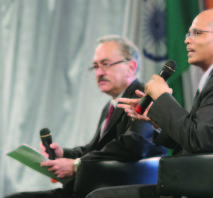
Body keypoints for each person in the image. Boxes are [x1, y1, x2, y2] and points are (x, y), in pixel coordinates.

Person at [86, 8, 213, 198]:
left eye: (196, 33)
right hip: (203, 182)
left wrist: (163, 97)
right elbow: (195, 136)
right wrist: (154, 119)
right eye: (188, 34)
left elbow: (198, 142)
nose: (187, 40)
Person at [5, 35, 167, 198]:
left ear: (131, 67)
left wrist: (76, 165)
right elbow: (96, 150)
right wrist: (64, 154)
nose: (99, 73)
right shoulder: (111, 105)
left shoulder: (144, 99)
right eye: (95, 66)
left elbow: (132, 146)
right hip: (93, 188)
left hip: (118, 191)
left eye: (105, 64)